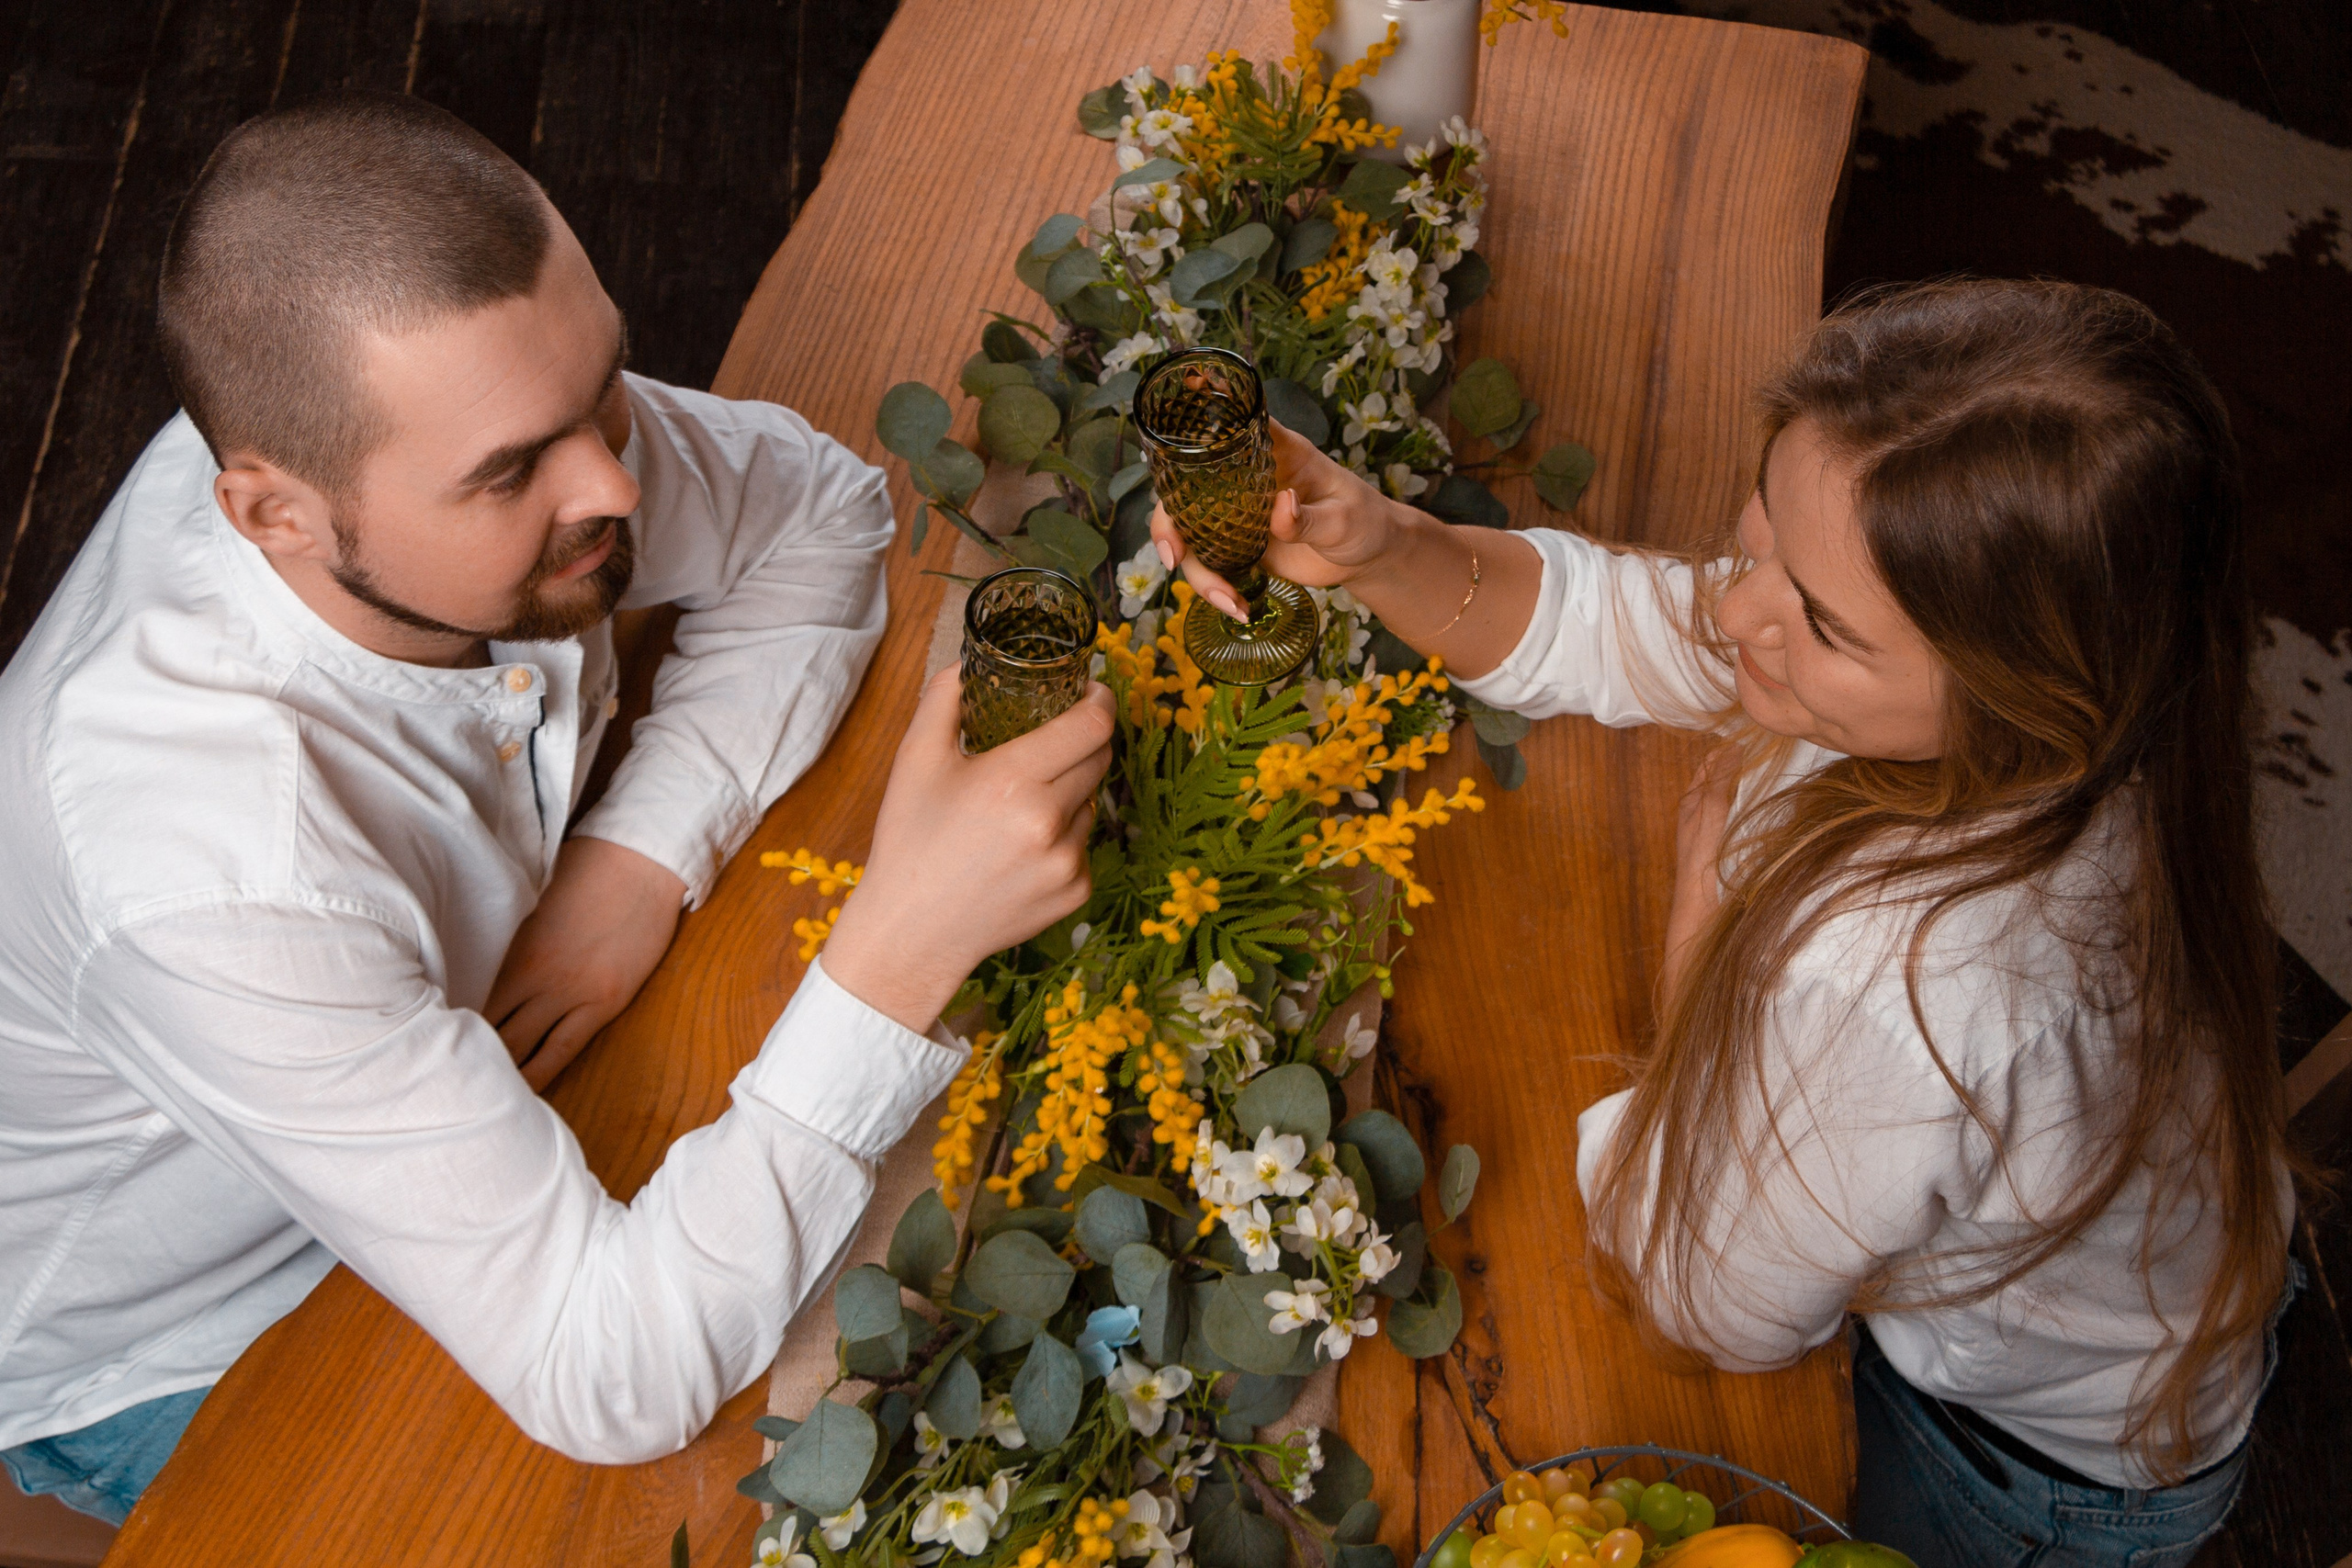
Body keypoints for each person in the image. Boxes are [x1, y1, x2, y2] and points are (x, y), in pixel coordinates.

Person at [0, 92, 1112, 1525]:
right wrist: (898, 953)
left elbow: (818, 515)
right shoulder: (211, 862)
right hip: (174, 1340)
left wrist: (636, 861)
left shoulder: (403, 443)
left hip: (465, 1082)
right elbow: (618, 1377)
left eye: (604, 386)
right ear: (273, 515)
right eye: (514, 471)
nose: (613, 480)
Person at [1155, 279, 2295, 1565]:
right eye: (1761, 540)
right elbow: (1623, 622)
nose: (1738, 608)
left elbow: (1705, 1298)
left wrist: (1705, 940)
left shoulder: (1911, 988)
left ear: (2019, 689)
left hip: (2026, 1468)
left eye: (1818, 621)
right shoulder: (2087, 702)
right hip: (2139, 1287)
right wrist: (1382, 545)